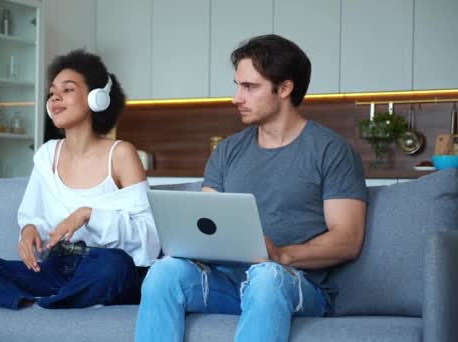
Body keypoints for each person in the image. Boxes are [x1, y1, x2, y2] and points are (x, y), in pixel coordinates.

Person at [135, 34, 368, 341]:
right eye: (237, 85)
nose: (236, 98)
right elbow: (206, 224)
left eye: (249, 87)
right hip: (229, 285)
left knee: (266, 276)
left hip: (295, 283)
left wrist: (281, 255)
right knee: (164, 273)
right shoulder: (227, 151)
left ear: (284, 88)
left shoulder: (331, 151)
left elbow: (348, 239)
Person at [0, 50, 160, 310]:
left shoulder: (121, 154)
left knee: (113, 266)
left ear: (98, 98)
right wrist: (28, 231)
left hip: (103, 265)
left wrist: (88, 215)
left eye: (68, 89)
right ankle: (36, 302)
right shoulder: (47, 154)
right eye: (52, 92)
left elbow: (150, 239)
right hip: (54, 269)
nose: (55, 97)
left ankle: (58, 302)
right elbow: (33, 217)